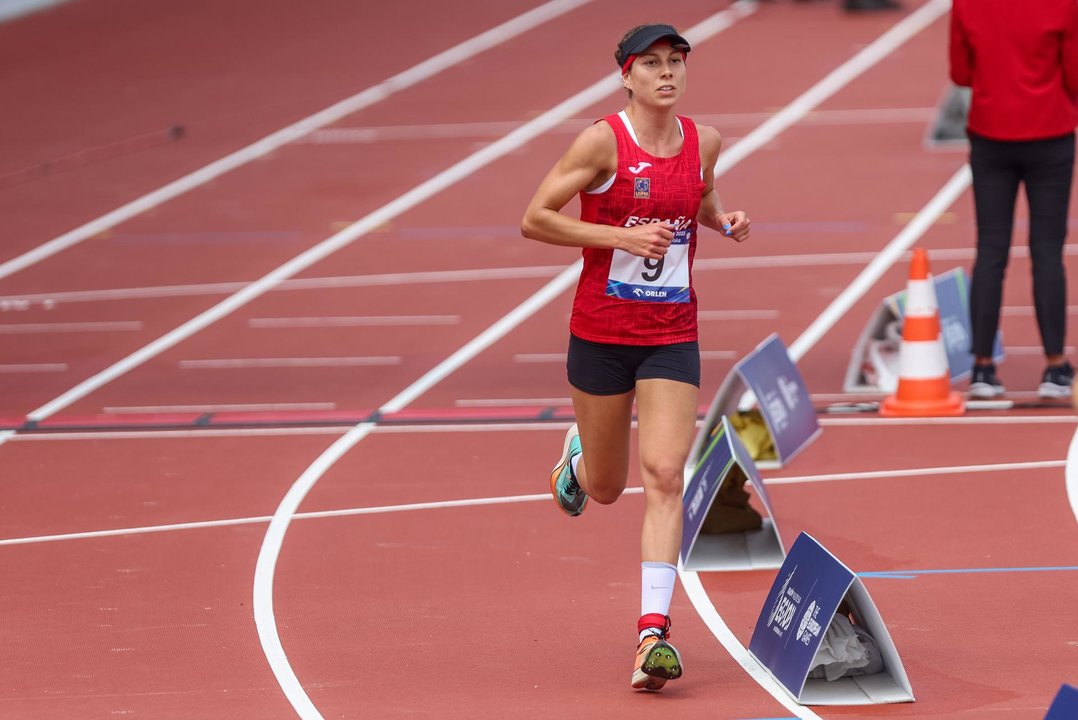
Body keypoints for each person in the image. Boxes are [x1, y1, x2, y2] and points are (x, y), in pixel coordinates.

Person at [520, 23, 750, 691]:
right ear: (627, 75)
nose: (666, 73)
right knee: (607, 488)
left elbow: (699, 199)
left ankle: (654, 634)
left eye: (675, 61)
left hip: (672, 331)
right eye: (651, 64)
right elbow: (536, 217)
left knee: (667, 473)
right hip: (600, 331)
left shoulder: (703, 141)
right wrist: (615, 232)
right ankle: (581, 459)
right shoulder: (601, 142)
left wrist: (722, 220)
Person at [950, 0, 1078, 399]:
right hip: (1050, 131)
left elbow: (960, 73)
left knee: (990, 250)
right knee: (1046, 251)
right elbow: (1074, 74)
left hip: (991, 132)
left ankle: (983, 369)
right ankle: (1055, 367)